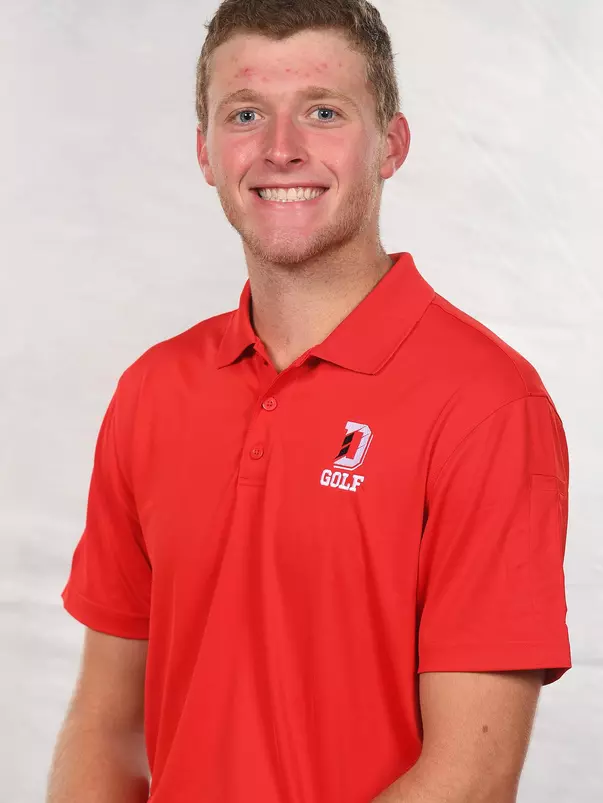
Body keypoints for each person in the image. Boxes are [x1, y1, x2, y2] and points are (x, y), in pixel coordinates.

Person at [46, 1, 572, 802]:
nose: (280, 149)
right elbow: (106, 722)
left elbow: (467, 778)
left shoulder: (487, 403)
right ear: (205, 152)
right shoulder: (152, 389)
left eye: (323, 112)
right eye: (246, 114)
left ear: (390, 144)